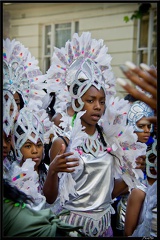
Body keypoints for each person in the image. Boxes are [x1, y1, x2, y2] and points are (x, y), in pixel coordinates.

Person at [43, 32, 147, 237]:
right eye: (91, 100)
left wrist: (132, 173)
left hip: (104, 229)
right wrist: (52, 171)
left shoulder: (110, 140)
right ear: (76, 101)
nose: (97, 107)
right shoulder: (62, 142)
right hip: (71, 230)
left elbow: (110, 193)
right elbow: (50, 198)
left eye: (101, 100)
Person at [115, 100, 154, 235]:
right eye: (141, 126)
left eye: (149, 126)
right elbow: (112, 190)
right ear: (132, 126)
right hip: (124, 209)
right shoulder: (119, 149)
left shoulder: (153, 149)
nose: (146, 130)